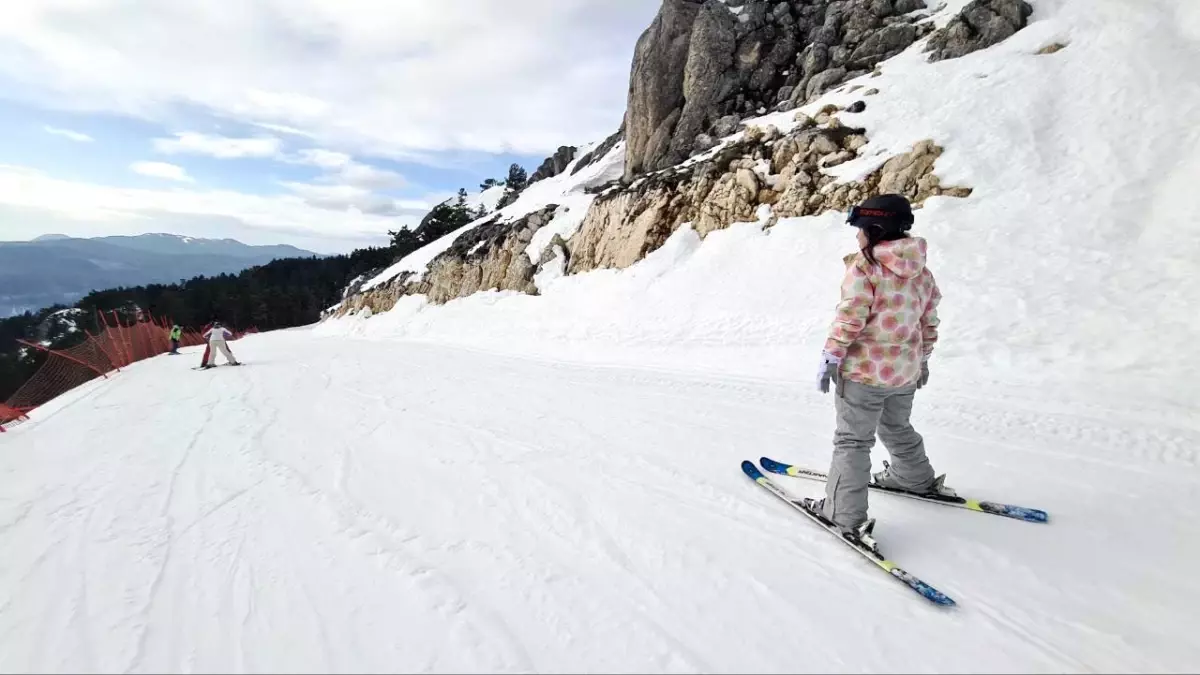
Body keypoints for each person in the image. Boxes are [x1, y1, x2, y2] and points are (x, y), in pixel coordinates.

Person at [809, 194, 954, 550]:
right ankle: (913, 477)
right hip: (904, 372)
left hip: (864, 374)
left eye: (860, 228)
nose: (857, 236)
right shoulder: (921, 271)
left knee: (853, 441)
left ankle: (842, 513)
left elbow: (850, 317)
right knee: (896, 425)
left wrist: (831, 355)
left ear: (876, 228)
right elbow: (928, 321)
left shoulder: (865, 267)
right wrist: (923, 359)